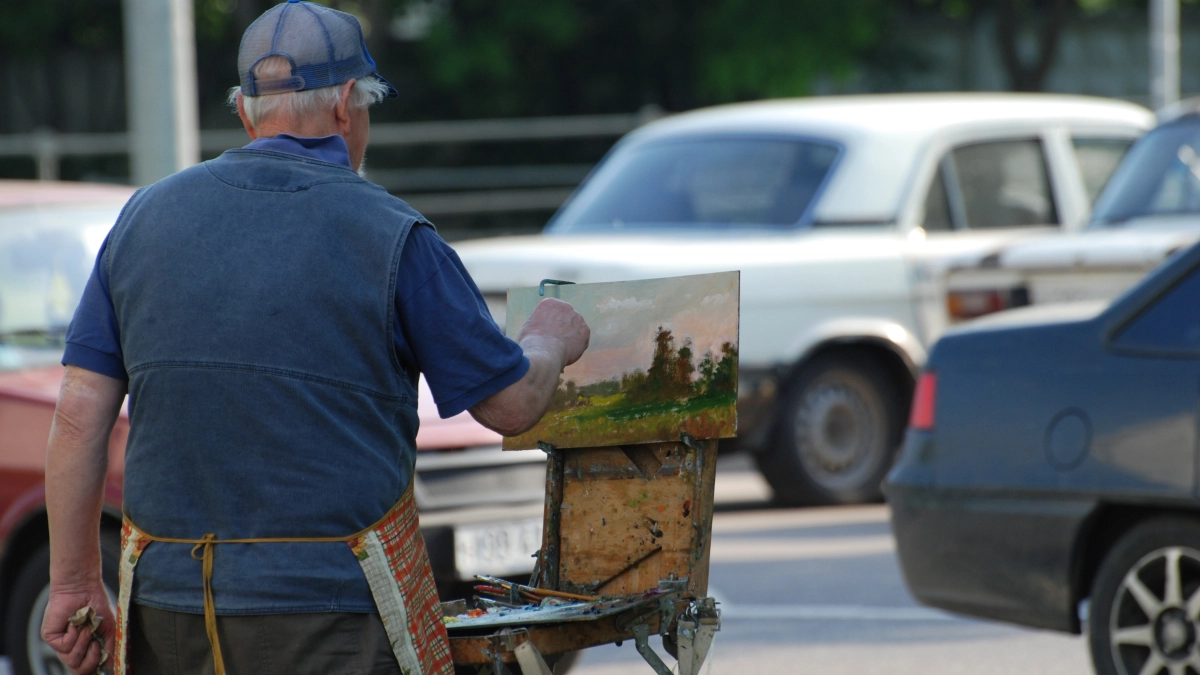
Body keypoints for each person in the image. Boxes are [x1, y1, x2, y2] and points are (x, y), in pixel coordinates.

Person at [40, 2, 589, 674]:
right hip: (329, 618)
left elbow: (77, 418)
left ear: (246, 112)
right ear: (348, 108)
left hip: (169, 612)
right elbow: (509, 404)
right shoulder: (394, 234)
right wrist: (550, 338)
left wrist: (71, 584)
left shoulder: (142, 219)